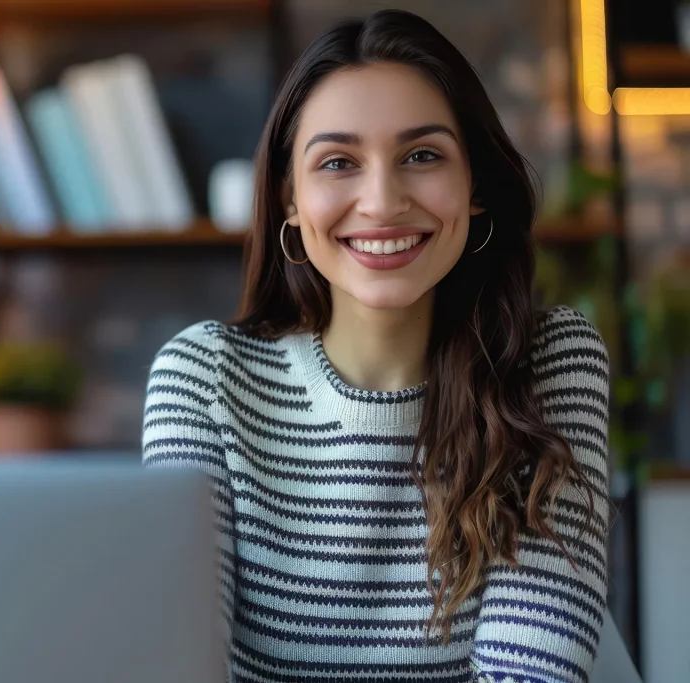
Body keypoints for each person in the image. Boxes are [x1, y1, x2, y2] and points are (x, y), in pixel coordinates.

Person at [142, 9, 610, 683]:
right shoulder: (205, 378)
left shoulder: (550, 364)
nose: (382, 201)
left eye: (422, 156)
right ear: (291, 199)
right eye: (338, 163)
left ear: (475, 186)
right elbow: (178, 661)